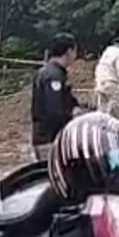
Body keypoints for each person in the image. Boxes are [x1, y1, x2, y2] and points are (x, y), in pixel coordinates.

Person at [30, 33, 83, 161]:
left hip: (48, 136)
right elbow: (54, 109)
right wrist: (71, 119)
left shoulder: (51, 72)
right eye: (75, 51)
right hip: (49, 138)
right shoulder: (53, 76)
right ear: (69, 51)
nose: (76, 56)